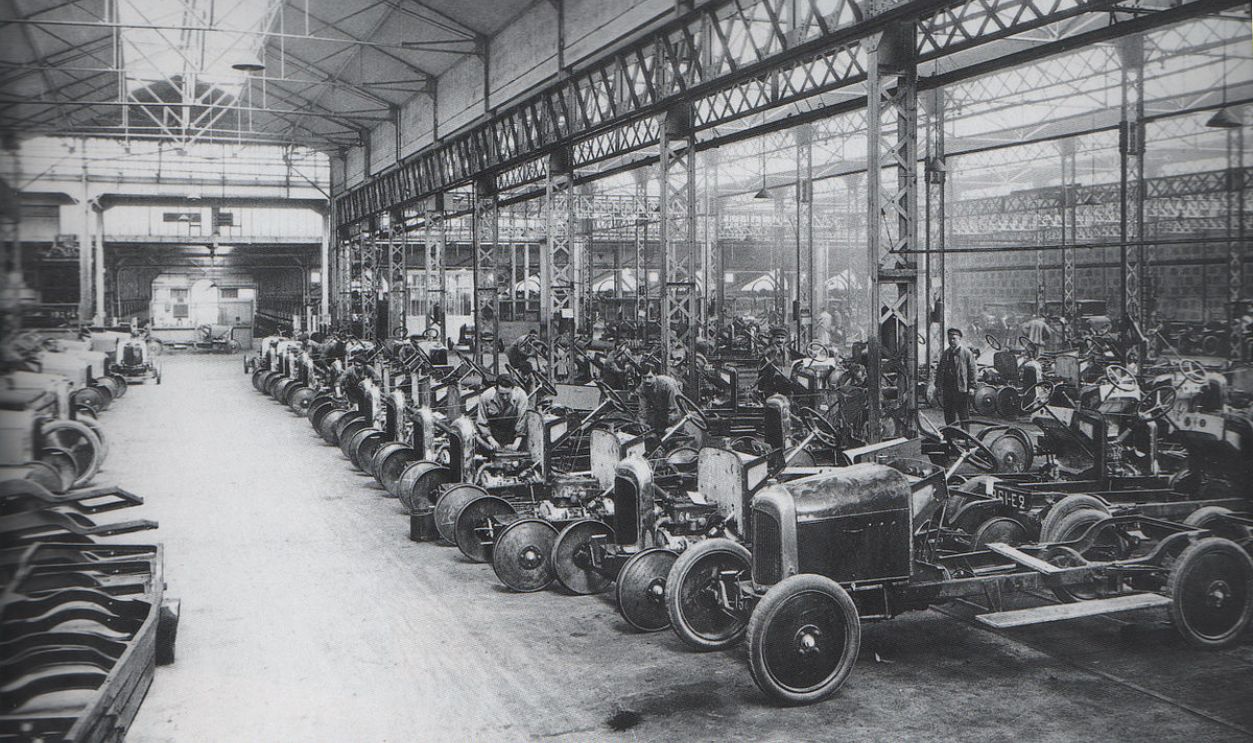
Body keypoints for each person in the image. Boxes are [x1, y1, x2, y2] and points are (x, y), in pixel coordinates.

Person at [476, 373, 530, 451]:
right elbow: (482, 422)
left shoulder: (521, 396)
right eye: (501, 394)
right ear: (496, 389)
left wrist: (516, 444)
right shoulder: (485, 397)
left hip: (511, 434)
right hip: (492, 434)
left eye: (508, 394)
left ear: (513, 388)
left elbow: (522, 421)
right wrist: (491, 440)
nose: (505, 397)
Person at [937, 327, 978, 427]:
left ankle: (965, 436)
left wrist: (972, 386)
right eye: (949, 338)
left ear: (959, 339)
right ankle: (951, 435)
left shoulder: (967, 353)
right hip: (948, 389)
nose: (951, 341)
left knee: (963, 413)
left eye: (954, 338)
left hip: (961, 389)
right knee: (949, 413)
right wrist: (938, 386)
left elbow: (973, 370)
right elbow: (940, 370)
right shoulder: (946, 353)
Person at [637, 361, 683, 439]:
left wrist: (673, 427)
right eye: (644, 378)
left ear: (656, 375)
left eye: (650, 377)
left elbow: (674, 408)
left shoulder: (668, 385)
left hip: (677, 410)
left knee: (672, 436)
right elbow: (643, 409)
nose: (647, 380)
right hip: (660, 411)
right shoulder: (642, 388)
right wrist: (643, 424)